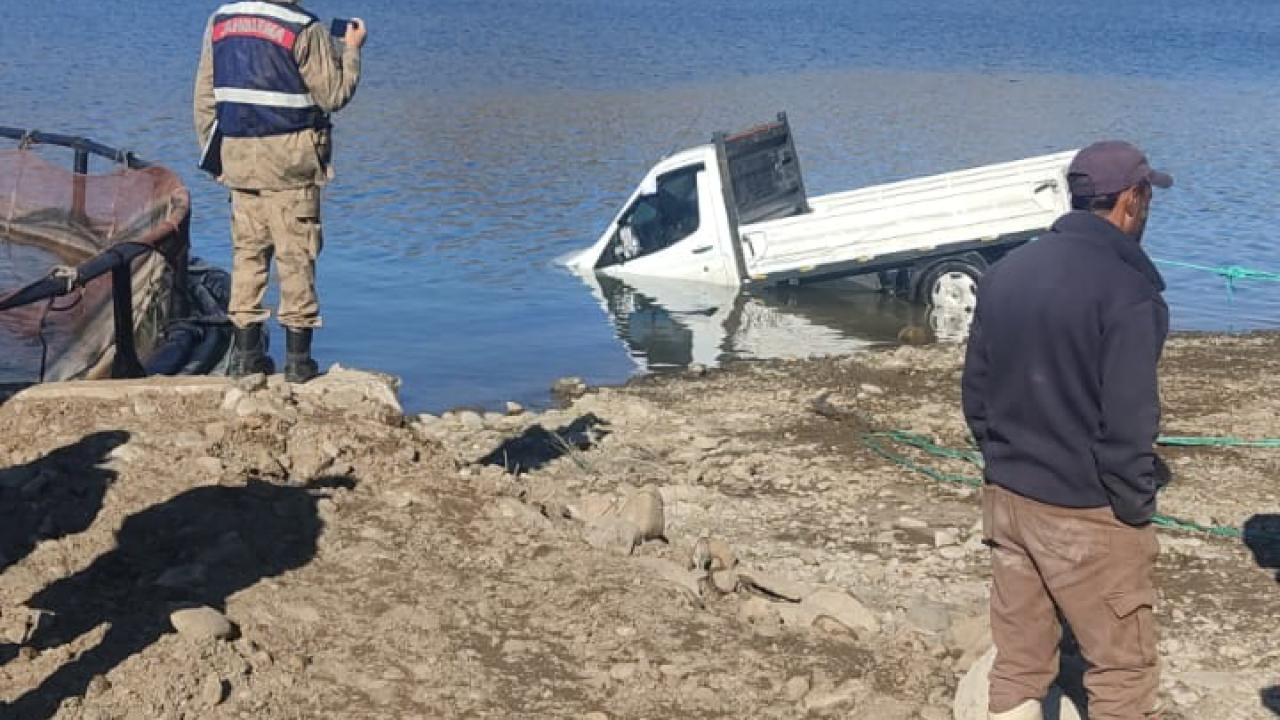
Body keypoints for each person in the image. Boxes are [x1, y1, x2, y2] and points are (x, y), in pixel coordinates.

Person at [961, 141, 1173, 720]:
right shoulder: (1131, 294)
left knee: (1019, 660)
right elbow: (1129, 424)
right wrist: (1134, 508)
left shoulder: (1005, 274)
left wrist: (1003, 463)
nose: (1148, 210)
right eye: (1148, 197)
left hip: (1007, 499)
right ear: (1131, 201)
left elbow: (976, 397)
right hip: (1086, 513)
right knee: (1122, 672)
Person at [193, 3, 367, 381]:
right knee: (296, 254)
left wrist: (214, 156)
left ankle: (244, 357)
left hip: (238, 155)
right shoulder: (305, 27)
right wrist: (352, 50)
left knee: (248, 253)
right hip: (291, 159)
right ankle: (298, 364)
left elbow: (205, 97)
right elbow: (334, 94)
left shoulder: (221, 21)